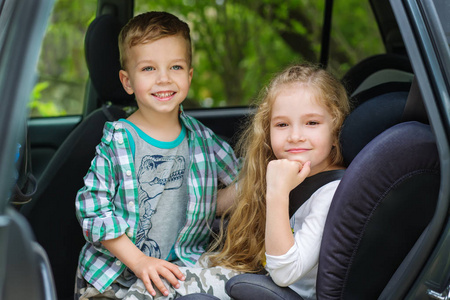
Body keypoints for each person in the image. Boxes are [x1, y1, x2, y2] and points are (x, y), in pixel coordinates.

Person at [75, 11, 240, 300]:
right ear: (127, 82)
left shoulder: (201, 138)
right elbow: (92, 209)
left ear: (189, 76)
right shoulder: (119, 141)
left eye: (175, 67)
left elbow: (240, 181)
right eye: (149, 69)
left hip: (178, 271)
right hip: (114, 277)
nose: (164, 79)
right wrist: (139, 262)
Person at [208, 63, 350, 299]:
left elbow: (285, 273)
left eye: (312, 123)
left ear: (335, 133)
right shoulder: (278, 171)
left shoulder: (331, 192)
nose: (295, 136)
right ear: (268, 131)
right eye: (282, 124)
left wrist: (277, 193)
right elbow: (214, 207)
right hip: (259, 278)